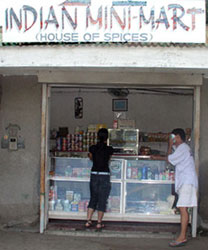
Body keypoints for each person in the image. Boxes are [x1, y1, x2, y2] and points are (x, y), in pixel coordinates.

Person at [151, 128, 198, 247]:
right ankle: (183, 235)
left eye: (173, 137)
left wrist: (169, 145)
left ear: (177, 137)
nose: (171, 139)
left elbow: (169, 159)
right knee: (183, 209)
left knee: (183, 209)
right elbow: (172, 157)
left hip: (187, 182)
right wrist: (170, 147)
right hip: (186, 181)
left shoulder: (183, 148)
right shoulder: (182, 148)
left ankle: (182, 237)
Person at [85, 128, 114, 230]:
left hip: (94, 174)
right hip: (104, 175)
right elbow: (109, 160)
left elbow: (91, 157)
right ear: (107, 137)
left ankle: (88, 221)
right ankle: (99, 223)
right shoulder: (109, 149)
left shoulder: (92, 148)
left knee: (93, 197)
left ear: (97, 136)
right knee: (102, 199)